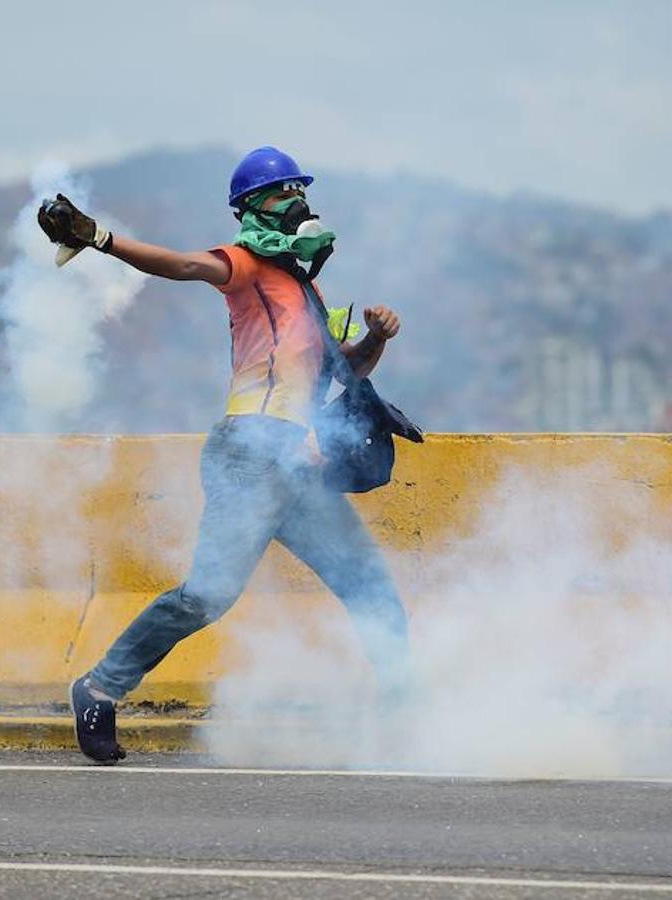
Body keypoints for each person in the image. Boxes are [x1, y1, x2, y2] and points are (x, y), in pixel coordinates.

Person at [38, 146, 411, 764]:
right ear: (252, 208)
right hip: (249, 456)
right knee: (206, 598)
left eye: (300, 189)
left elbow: (344, 372)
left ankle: (408, 715)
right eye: (283, 192)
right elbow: (183, 266)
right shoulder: (243, 265)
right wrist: (100, 237)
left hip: (298, 463)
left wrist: (374, 337)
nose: (297, 201)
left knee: (370, 587)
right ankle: (99, 687)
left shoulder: (307, 289)